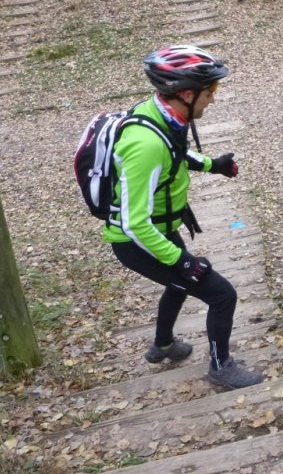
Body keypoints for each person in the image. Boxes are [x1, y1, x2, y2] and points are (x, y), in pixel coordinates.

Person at [104, 44, 263, 389]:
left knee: (177, 284)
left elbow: (174, 151)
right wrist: (182, 260)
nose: (214, 99)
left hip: (160, 230)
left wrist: (212, 165)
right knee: (222, 294)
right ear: (187, 93)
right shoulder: (143, 145)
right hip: (135, 240)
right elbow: (133, 223)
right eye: (211, 91)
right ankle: (221, 367)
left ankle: (162, 346)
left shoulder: (161, 113)